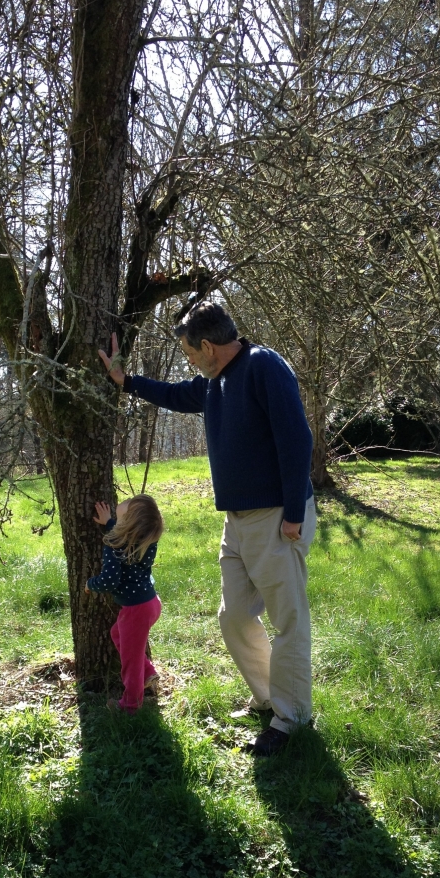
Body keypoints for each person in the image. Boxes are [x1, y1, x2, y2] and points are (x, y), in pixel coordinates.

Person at [99, 301, 316, 756]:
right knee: (233, 615)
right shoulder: (215, 383)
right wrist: (127, 382)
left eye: (190, 352)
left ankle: (291, 717)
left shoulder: (263, 366)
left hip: (277, 516)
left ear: (208, 345)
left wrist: (294, 511)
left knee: (288, 619)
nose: (189, 361)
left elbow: (296, 439)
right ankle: (270, 699)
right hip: (237, 522)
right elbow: (178, 395)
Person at [85, 494, 164, 714]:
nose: (115, 524)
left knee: (131, 662)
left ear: (127, 526)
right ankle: (147, 671)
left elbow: (110, 580)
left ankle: (130, 706)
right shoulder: (147, 539)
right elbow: (126, 535)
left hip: (135, 610)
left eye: (119, 519)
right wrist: (111, 522)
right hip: (150, 603)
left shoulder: (113, 545)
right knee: (117, 635)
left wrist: (91, 584)